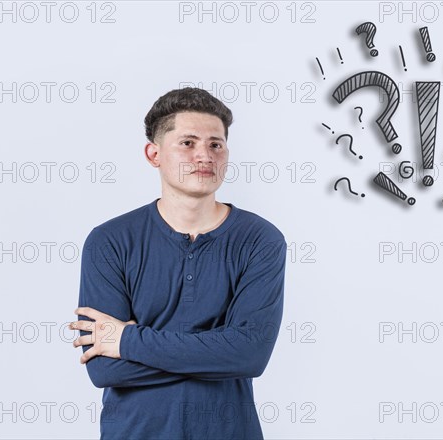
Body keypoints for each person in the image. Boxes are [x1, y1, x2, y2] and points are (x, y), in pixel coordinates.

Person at [69, 87, 287, 439]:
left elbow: (250, 356)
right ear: (153, 154)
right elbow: (106, 370)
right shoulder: (108, 241)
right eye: (187, 143)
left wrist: (126, 340)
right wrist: (218, 353)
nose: (204, 155)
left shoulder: (261, 240)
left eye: (216, 144)